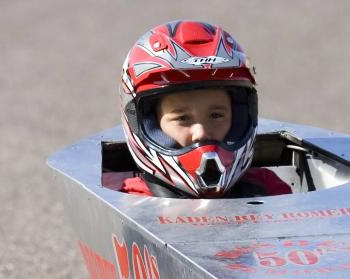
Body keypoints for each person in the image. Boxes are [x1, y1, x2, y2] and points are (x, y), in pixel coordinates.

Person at [119, 21, 291, 199]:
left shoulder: (268, 190)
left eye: (216, 115)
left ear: (241, 116)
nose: (201, 133)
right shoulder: (132, 201)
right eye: (183, 118)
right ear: (148, 122)